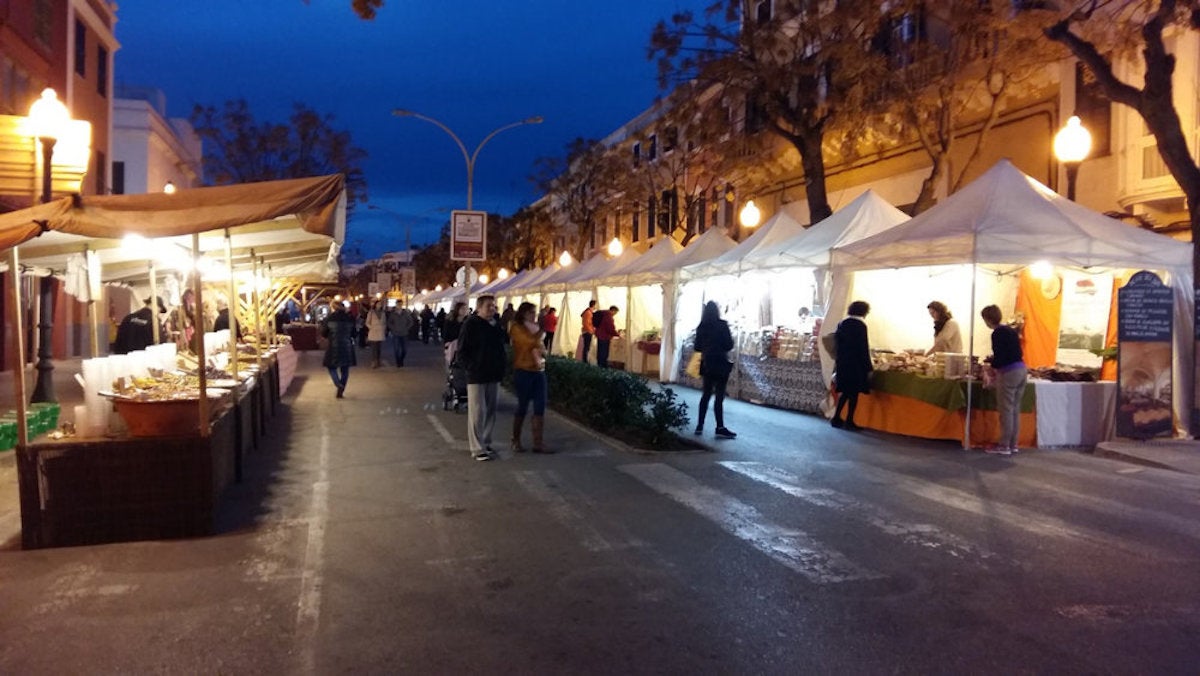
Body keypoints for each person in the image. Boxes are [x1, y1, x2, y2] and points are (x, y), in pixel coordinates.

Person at [456, 295, 507, 461]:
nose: (492, 309)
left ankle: (486, 441)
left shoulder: (495, 324)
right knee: (478, 411)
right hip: (477, 374)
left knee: (491, 410)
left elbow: (501, 345)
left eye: (494, 306)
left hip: (493, 373)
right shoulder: (471, 324)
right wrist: (471, 366)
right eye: (488, 306)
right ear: (479, 308)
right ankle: (477, 448)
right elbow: (462, 350)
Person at [508, 301, 553, 454]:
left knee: (540, 405)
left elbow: (540, 346)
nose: (534, 316)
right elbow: (529, 342)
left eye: (534, 313)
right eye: (531, 313)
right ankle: (515, 439)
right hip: (524, 369)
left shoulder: (536, 328)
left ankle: (538, 442)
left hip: (538, 370)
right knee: (522, 405)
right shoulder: (516, 327)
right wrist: (541, 331)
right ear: (523, 313)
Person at [982, 304, 1027, 455]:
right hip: (1021, 369)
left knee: (1005, 410)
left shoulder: (997, 333)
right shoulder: (1010, 330)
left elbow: (1000, 357)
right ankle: (1013, 444)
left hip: (1009, 373)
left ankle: (1004, 445)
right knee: (1015, 409)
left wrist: (990, 366)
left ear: (988, 319)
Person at [693, 301, 737, 439]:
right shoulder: (722, 325)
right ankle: (720, 426)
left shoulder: (702, 326)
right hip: (721, 363)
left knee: (706, 395)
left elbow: (697, 347)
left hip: (707, 363)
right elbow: (729, 344)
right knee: (719, 396)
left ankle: (700, 425)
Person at [831, 300, 873, 431]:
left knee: (845, 392)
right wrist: (868, 367)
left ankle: (836, 417)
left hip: (843, 362)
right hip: (856, 364)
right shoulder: (860, 326)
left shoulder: (842, 323)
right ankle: (849, 420)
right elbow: (863, 347)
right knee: (853, 394)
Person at [321, 302, 357, 398]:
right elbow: (354, 333)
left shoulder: (329, 318)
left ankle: (338, 384)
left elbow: (323, 333)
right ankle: (341, 389)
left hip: (334, 346)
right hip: (347, 346)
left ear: (333, 308)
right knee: (345, 369)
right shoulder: (350, 318)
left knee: (331, 367)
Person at [441, 301, 469, 370]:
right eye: (462, 309)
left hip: (464, 348)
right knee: (451, 366)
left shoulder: (468, 322)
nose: (465, 311)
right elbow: (446, 334)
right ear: (458, 309)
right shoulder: (450, 321)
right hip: (452, 347)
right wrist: (447, 345)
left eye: (466, 309)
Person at [386, 302, 415, 367]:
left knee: (405, 349)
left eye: (400, 305)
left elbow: (411, 321)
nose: (399, 306)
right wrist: (393, 328)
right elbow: (389, 322)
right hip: (396, 334)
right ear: (396, 306)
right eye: (398, 305)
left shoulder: (406, 313)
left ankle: (401, 359)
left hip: (404, 333)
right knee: (396, 349)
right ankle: (398, 362)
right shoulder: (393, 314)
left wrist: (407, 328)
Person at [364, 300, 386, 368]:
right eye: (378, 304)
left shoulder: (383, 313)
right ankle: (374, 361)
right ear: (375, 305)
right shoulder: (371, 312)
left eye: (380, 304)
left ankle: (378, 361)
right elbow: (367, 322)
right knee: (374, 348)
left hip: (380, 332)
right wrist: (371, 327)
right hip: (373, 331)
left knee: (379, 348)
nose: (379, 305)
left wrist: (384, 328)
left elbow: (385, 322)